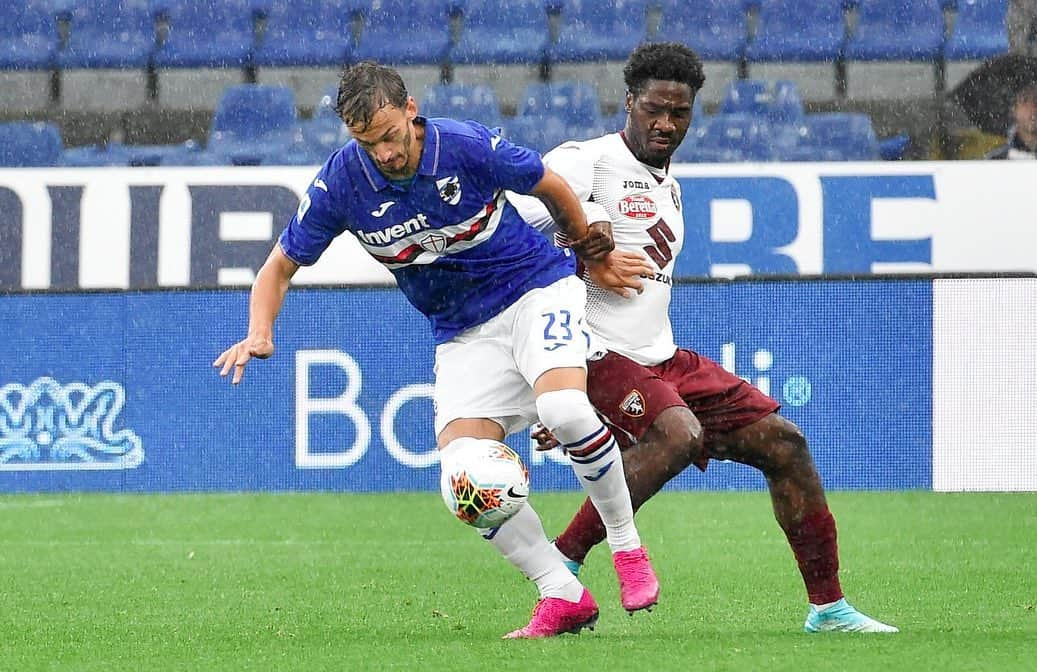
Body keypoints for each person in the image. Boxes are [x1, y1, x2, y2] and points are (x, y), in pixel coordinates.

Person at [213, 61, 661, 640]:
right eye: (366, 143)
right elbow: (278, 268)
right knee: (465, 485)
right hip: (463, 335)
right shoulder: (341, 184)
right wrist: (260, 331)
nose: (384, 154)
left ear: (410, 110)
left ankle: (627, 547)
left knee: (566, 412)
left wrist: (590, 251)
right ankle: (563, 592)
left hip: (534, 292)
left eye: (390, 137)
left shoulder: (466, 146)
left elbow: (548, 184)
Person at [510, 42, 899, 634]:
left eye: (679, 113)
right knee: (679, 434)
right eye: (653, 110)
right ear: (628, 103)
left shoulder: (669, 184)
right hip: (595, 354)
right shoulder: (586, 160)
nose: (665, 124)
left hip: (660, 359)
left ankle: (829, 609)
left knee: (784, 444)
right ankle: (564, 560)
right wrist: (587, 242)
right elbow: (514, 217)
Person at [985, 83, 1037, 159]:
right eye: (1025, 100)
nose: (1033, 107)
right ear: (1014, 110)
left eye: (1036, 100)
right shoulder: (996, 161)